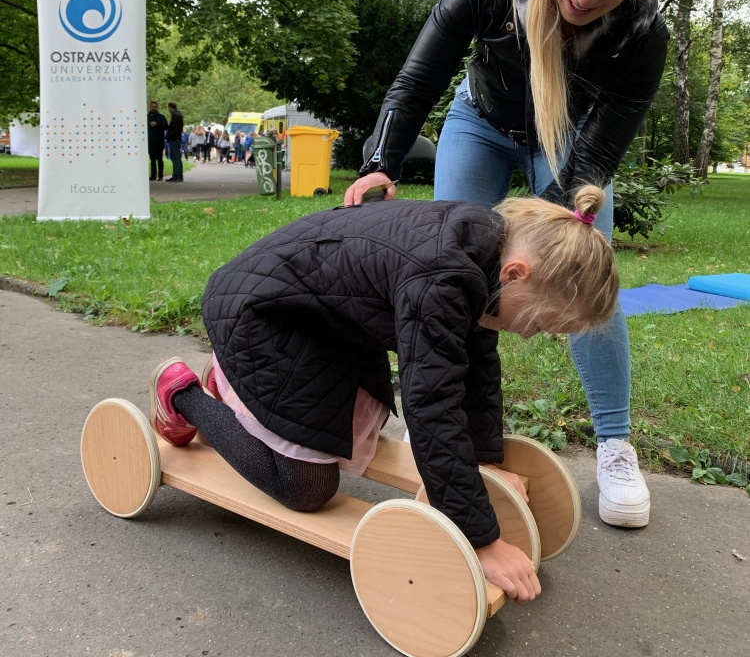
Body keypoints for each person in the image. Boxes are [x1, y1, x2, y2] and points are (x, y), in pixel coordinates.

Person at [344, 0, 668, 529]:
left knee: (585, 274)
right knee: (446, 271)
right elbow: (419, 77)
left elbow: (599, 149)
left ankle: (615, 444)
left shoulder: (643, 30)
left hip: (570, 144)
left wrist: (560, 223)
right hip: (480, 123)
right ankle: (443, 422)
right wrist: (381, 160)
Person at [150, 185, 618, 603]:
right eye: (540, 323)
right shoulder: (443, 277)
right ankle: (185, 395)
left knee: (358, 427)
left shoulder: (484, 251)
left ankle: (235, 385)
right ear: (516, 274)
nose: (532, 335)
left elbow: (475, 366)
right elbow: (432, 406)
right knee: (307, 487)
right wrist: (481, 539)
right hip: (259, 316)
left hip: (322, 322)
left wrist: (485, 460)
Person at [146, 101, 168, 181]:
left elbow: (166, 126)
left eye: (155, 107)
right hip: (150, 141)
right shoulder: (146, 117)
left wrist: (157, 124)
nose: (153, 108)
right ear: (150, 107)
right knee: (152, 159)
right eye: (152, 107)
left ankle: (160, 176)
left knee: (159, 159)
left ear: (157, 107)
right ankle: (153, 175)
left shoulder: (161, 117)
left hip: (159, 141)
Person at [165, 102, 184, 182]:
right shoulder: (178, 115)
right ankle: (179, 175)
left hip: (174, 139)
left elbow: (175, 129)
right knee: (177, 158)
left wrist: (169, 135)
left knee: (175, 157)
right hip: (177, 139)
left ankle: (176, 175)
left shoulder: (175, 116)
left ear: (170, 107)